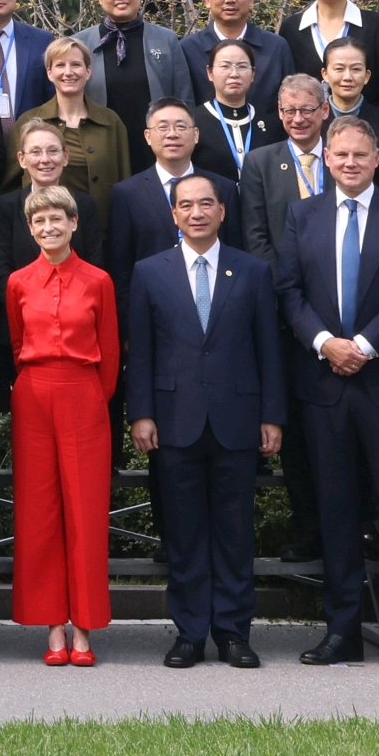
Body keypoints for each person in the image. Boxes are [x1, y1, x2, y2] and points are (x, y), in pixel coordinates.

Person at [274, 116, 379, 669]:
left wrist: (361, 346)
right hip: (324, 386)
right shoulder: (301, 216)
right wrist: (326, 344)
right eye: (338, 155)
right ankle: (341, 629)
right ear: (327, 159)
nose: (348, 163)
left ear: (376, 159)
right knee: (335, 512)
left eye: (359, 155)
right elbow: (289, 291)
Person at [122, 171, 284, 669]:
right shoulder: (150, 272)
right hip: (173, 422)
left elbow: (269, 351)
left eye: (206, 204)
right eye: (186, 205)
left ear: (222, 211)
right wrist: (141, 414)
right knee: (185, 532)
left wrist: (272, 416)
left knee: (234, 532)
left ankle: (234, 633)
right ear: (173, 214)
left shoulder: (252, 271)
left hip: (238, 419)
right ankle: (190, 632)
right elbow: (141, 352)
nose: (196, 212)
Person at [4, 183, 118, 665]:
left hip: (84, 394)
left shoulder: (98, 281)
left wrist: (90, 397)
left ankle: (85, 629)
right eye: (39, 222)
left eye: (57, 219)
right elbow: (15, 342)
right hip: (33, 394)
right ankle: (53, 627)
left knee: (86, 511)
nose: (48, 228)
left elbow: (110, 354)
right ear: (31, 230)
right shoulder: (17, 282)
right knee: (40, 512)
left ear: (74, 223)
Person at [74, 0, 194, 128]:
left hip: (158, 145)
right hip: (99, 145)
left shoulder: (166, 39)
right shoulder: (81, 43)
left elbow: (185, 97)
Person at [105, 99, 205, 299]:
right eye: (163, 127)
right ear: (148, 136)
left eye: (180, 126)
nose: (172, 134)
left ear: (195, 135)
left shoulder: (221, 189)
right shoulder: (126, 194)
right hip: (152, 303)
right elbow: (121, 268)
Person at [12, 36, 126, 203]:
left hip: (101, 225)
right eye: (60, 65)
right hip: (46, 226)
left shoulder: (110, 122)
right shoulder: (29, 122)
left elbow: (125, 181)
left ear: (88, 71)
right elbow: (12, 187)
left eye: (76, 64)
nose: (68, 72)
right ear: (49, 73)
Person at [0, 118, 108, 279]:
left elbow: (95, 266)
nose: (45, 159)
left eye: (53, 150)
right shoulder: (6, 207)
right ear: (22, 159)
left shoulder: (84, 205)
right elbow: (1, 271)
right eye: (35, 152)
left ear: (65, 157)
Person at [238, 74, 332, 262]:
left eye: (307, 110)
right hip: (282, 280)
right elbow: (254, 235)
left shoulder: (342, 159)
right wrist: (283, 283)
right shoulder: (259, 163)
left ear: (324, 110)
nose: (298, 119)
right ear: (280, 112)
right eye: (289, 110)